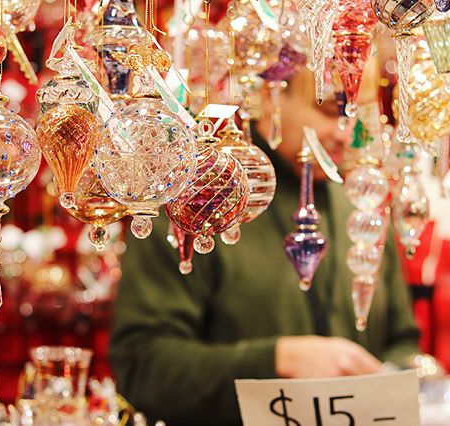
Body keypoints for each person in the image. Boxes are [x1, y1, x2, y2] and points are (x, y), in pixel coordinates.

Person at [108, 69, 421, 426]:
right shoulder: (194, 206)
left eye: (355, 114)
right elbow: (143, 366)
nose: (344, 133)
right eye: (330, 111)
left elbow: (402, 341)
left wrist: (395, 379)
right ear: (270, 97)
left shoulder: (364, 211)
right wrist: (277, 360)